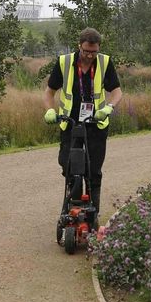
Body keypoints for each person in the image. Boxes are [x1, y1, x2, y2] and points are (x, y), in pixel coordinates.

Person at [42, 27, 122, 216]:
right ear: (79, 46)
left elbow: (117, 91)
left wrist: (109, 108)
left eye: (94, 52)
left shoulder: (105, 62)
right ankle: (73, 206)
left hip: (96, 123)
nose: (90, 56)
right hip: (70, 122)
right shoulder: (65, 62)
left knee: (94, 170)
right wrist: (50, 111)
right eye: (86, 51)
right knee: (68, 165)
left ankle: (93, 213)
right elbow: (49, 92)